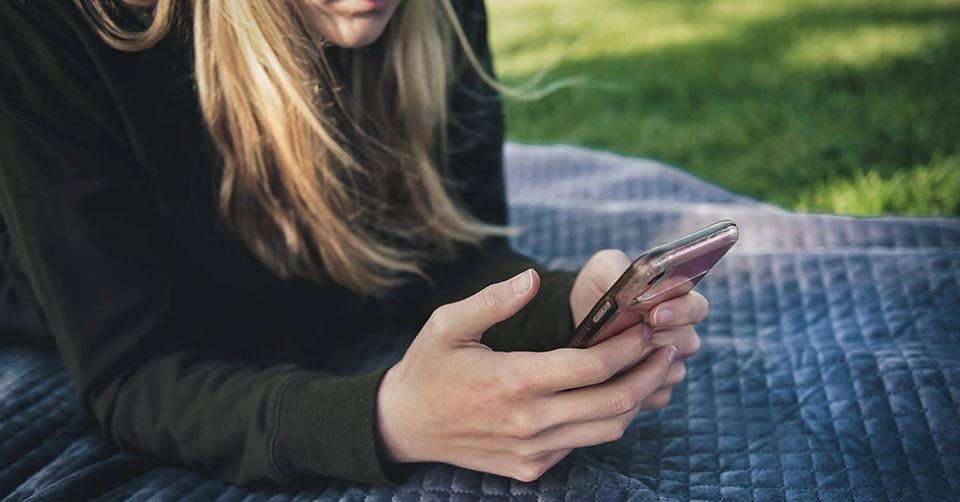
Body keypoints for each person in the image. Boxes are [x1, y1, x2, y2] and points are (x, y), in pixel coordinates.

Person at [0, 0, 706, 486]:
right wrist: (386, 420)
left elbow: (453, 252)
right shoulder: (53, 28)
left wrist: (568, 307)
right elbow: (133, 372)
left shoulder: (436, 19)